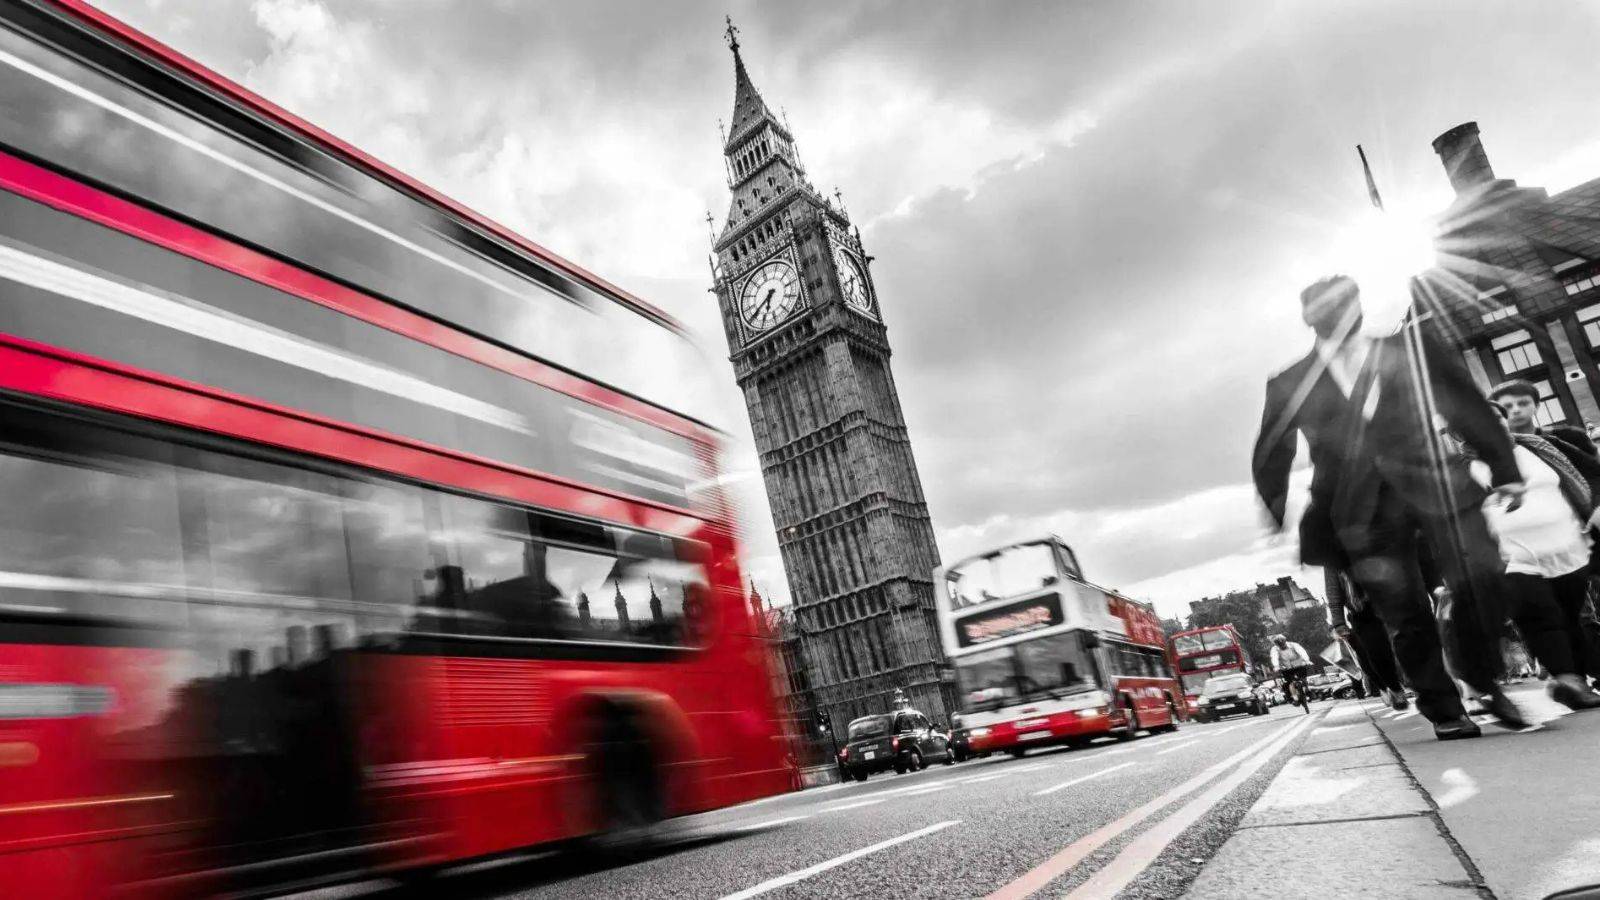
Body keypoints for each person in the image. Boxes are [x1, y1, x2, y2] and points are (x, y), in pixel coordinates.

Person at [1253, 274, 1526, 740]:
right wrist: (1276, 509)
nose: (1338, 314)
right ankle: (1444, 708)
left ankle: (1480, 675)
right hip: (1360, 510)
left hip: (1440, 488)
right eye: (1325, 308)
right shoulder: (1290, 382)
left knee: (1485, 578)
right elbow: (1272, 448)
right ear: (1308, 318)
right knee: (1404, 613)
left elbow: (1465, 406)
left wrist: (1506, 469)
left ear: (1359, 305)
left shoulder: (1412, 350)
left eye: (1345, 304)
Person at [1450, 406, 1600, 709]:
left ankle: (1575, 679)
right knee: (1540, 614)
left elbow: (1594, 473)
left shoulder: (1543, 447)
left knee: (1569, 616)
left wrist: (1597, 506)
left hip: (1567, 547)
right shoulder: (1459, 469)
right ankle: (1567, 678)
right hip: (1510, 556)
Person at [1325, 566, 1409, 710]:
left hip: (1390, 604)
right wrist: (1339, 622)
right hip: (1362, 613)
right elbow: (1333, 593)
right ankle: (1391, 687)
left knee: (1402, 645)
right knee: (1373, 654)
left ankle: (1405, 684)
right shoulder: (1331, 560)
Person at [1270, 634, 1314, 705]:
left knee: (1303, 679)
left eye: (1283, 643)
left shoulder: (1294, 645)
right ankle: (1294, 698)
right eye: (1279, 645)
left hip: (1299, 665)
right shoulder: (1274, 649)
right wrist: (1276, 666)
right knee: (1289, 683)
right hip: (1287, 668)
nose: (1282, 646)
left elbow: (1302, 652)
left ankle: (1307, 690)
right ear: (1276, 644)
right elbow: (1274, 657)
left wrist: (1307, 660)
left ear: (1285, 641)